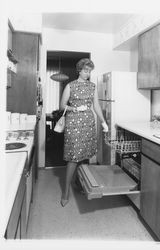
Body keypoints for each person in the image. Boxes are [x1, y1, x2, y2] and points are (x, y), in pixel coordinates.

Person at [60, 58, 108, 207]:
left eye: (90, 71)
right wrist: (74, 108)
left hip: (88, 124)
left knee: (83, 156)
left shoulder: (92, 86)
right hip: (73, 124)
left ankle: (77, 183)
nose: (88, 73)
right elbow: (62, 106)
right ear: (79, 70)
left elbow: (97, 107)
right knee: (73, 157)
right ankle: (65, 191)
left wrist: (103, 121)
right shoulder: (70, 86)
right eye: (86, 70)